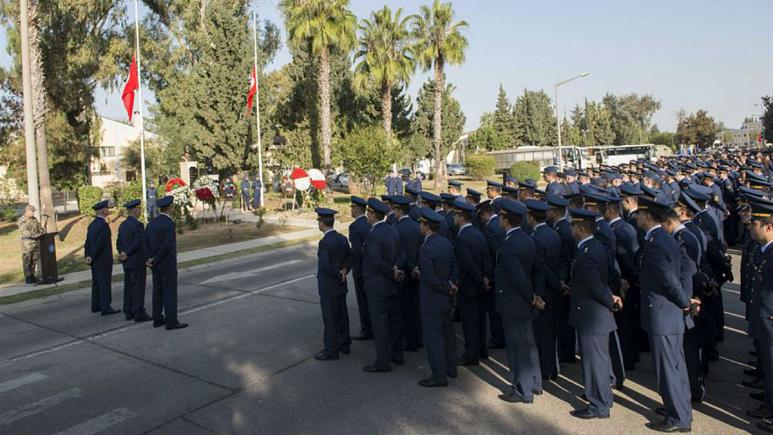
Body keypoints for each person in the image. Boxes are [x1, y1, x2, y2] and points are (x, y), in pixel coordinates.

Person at [637, 195, 696, 432]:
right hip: (667, 314)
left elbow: (669, 280)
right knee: (675, 367)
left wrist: (685, 302)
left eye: (639, 213)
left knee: (668, 369)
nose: (637, 217)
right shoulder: (665, 238)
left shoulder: (657, 242)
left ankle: (678, 417)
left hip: (663, 314)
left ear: (649, 217)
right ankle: (681, 408)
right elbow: (686, 268)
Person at [567, 207, 622, 420]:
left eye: (573, 225)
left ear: (581, 228)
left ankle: (598, 405)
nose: (570, 228)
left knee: (594, 362)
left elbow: (595, 286)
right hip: (595, 314)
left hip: (591, 316)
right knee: (599, 361)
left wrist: (610, 301)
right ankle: (602, 398)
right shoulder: (593, 247)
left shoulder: (588, 252)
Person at [496, 199, 543, 404]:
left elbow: (518, 278)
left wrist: (532, 297)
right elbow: (537, 270)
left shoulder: (509, 244)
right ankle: (534, 382)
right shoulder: (527, 238)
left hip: (514, 301)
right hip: (524, 300)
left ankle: (523, 390)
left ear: (506, 220)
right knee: (528, 343)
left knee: (517, 348)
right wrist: (536, 294)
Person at [415, 207, 458, 387]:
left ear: (426, 226)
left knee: (434, 338)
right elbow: (455, 265)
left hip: (433, 298)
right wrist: (452, 284)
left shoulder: (426, 247)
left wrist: (445, 287)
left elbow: (430, 277)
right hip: (445, 298)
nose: (420, 228)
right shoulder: (446, 242)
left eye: (421, 224)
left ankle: (438, 375)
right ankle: (451, 368)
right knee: (447, 334)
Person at [362, 198, 401, 373]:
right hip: (391, 284)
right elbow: (400, 253)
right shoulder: (392, 230)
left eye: (368, 214)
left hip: (378, 284)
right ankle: (396, 354)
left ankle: (383, 362)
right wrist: (395, 270)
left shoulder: (373, 234)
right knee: (394, 321)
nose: (367, 217)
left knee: (380, 324)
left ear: (372, 214)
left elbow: (376, 261)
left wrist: (390, 272)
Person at [452, 199, 492, 366]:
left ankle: (471, 354)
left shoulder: (462, 237)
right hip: (481, 285)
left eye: (455, 215)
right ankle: (482, 350)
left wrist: (479, 280)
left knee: (469, 322)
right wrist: (486, 278)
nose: (454, 218)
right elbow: (486, 258)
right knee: (480, 321)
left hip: (470, 286)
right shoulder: (478, 233)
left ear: (461, 218)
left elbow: (468, 264)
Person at [526, 198, 562, 381]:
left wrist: (539, 293)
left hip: (544, 289)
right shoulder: (552, 233)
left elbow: (541, 269)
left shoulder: (536, 238)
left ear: (531, 217)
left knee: (542, 333)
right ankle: (551, 368)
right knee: (550, 332)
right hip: (554, 290)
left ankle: (545, 369)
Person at [746, 198, 773, 433]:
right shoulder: (765, 251)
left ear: (768, 227)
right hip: (765, 321)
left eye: (753, 223)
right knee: (768, 366)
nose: (749, 226)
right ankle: (768, 404)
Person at [314, 207, 352, 361]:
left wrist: (337, 272)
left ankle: (331, 349)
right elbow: (351, 256)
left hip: (329, 285)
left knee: (330, 318)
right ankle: (345, 343)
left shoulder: (324, 242)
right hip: (341, 284)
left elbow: (324, 265)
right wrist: (344, 270)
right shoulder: (342, 238)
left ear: (322, 223)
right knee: (342, 315)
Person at [145, 196, 188, 330]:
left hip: (154, 263)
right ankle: (171, 321)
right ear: (170, 208)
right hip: (166, 262)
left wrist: (149, 258)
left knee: (157, 291)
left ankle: (157, 318)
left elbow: (145, 242)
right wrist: (156, 258)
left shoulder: (152, 223)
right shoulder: (169, 224)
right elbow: (167, 245)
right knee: (169, 292)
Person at [392, 196, 423, 351]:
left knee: (405, 309)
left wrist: (409, 268)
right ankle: (419, 338)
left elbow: (400, 253)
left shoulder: (396, 228)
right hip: (417, 271)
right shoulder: (417, 226)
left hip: (404, 272)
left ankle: (409, 341)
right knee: (416, 307)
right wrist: (417, 267)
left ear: (398, 211)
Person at [477, 200, 505, 349]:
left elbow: (493, 253)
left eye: (481, 216)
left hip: (495, 272)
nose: (481, 220)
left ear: (486, 214)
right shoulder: (500, 223)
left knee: (494, 309)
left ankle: (497, 337)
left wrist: (488, 274)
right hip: (504, 272)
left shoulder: (489, 229)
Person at [116, 199, 151, 322]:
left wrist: (122, 252)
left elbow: (118, 242)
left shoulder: (123, 225)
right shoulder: (138, 225)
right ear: (135, 210)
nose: (140, 211)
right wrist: (128, 253)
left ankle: (128, 310)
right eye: (139, 209)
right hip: (136, 261)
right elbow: (138, 243)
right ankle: (138, 312)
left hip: (127, 261)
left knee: (128, 287)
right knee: (138, 288)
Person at [85, 200, 119, 315]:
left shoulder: (92, 224)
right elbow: (100, 244)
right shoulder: (103, 225)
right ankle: (105, 306)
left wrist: (88, 255)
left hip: (94, 260)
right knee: (104, 283)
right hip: (103, 259)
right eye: (106, 208)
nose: (108, 210)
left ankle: (96, 305)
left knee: (96, 282)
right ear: (103, 210)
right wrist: (93, 255)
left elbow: (88, 242)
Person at [348, 196, 373, 340]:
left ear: (357, 209)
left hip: (360, 269)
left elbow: (356, 251)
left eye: (352, 207)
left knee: (363, 301)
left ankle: (367, 330)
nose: (351, 210)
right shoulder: (369, 223)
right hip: (370, 268)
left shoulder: (355, 227)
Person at [17, 204, 44, 284]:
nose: (33, 213)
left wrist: (43, 232)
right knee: (27, 260)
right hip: (27, 244)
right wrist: (37, 235)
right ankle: (28, 277)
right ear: (27, 211)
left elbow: (39, 229)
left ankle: (32, 275)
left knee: (34, 259)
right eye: (32, 211)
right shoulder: (21, 220)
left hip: (35, 243)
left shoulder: (34, 219)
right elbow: (26, 232)